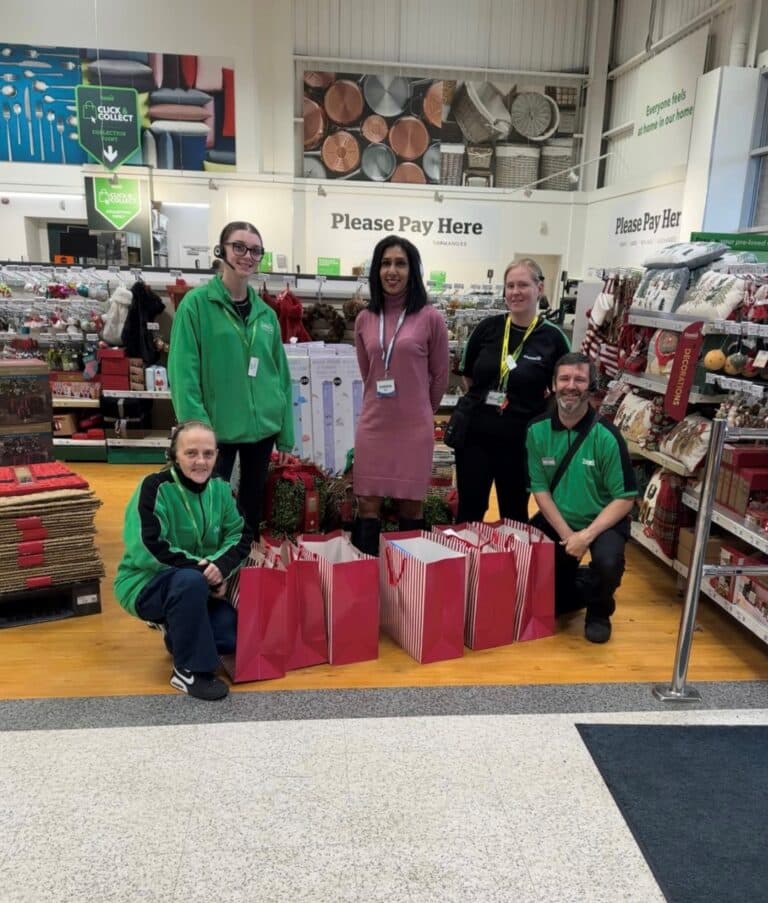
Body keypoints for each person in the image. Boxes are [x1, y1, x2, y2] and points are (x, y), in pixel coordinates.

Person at [168, 220, 293, 537]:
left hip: (262, 430)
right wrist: (196, 432)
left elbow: (280, 377)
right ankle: (213, 563)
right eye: (239, 247)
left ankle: (247, 560)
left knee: (252, 508)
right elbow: (183, 373)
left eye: (255, 250)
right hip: (215, 431)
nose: (247, 255)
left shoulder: (266, 314)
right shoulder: (196, 305)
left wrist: (285, 435)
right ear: (221, 250)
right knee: (210, 508)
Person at [114, 421, 253, 700]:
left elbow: (240, 535)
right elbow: (148, 546)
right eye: (191, 453)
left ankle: (175, 629)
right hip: (145, 582)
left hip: (198, 584)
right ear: (174, 456)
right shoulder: (154, 487)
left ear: (216, 456)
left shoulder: (221, 489)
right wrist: (205, 573)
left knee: (229, 638)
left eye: (208, 453)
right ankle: (189, 671)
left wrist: (220, 568)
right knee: (189, 582)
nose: (201, 461)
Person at [526, 353, 638, 643]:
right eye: (564, 378)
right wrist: (568, 537)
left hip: (603, 521)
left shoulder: (607, 436)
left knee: (608, 563)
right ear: (553, 385)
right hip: (560, 520)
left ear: (591, 386)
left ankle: (599, 611)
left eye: (579, 379)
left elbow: (624, 498)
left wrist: (586, 536)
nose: (571, 386)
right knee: (552, 601)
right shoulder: (536, 430)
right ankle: (582, 584)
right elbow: (540, 489)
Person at [351, 235, 449, 554]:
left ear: (413, 271)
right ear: (376, 271)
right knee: (368, 504)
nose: (392, 271)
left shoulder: (430, 318)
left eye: (401, 264)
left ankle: (408, 579)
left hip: (413, 429)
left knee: (411, 506)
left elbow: (440, 375)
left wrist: (421, 410)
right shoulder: (365, 319)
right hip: (374, 426)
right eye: (386, 263)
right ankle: (365, 576)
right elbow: (368, 372)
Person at [455, 258, 570, 524]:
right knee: (469, 511)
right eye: (510, 286)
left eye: (523, 285)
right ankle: (466, 553)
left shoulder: (553, 338)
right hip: (475, 438)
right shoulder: (487, 328)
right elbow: (468, 377)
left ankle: (510, 553)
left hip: (521, 443)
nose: (515, 292)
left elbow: (564, 387)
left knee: (514, 514)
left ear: (539, 288)